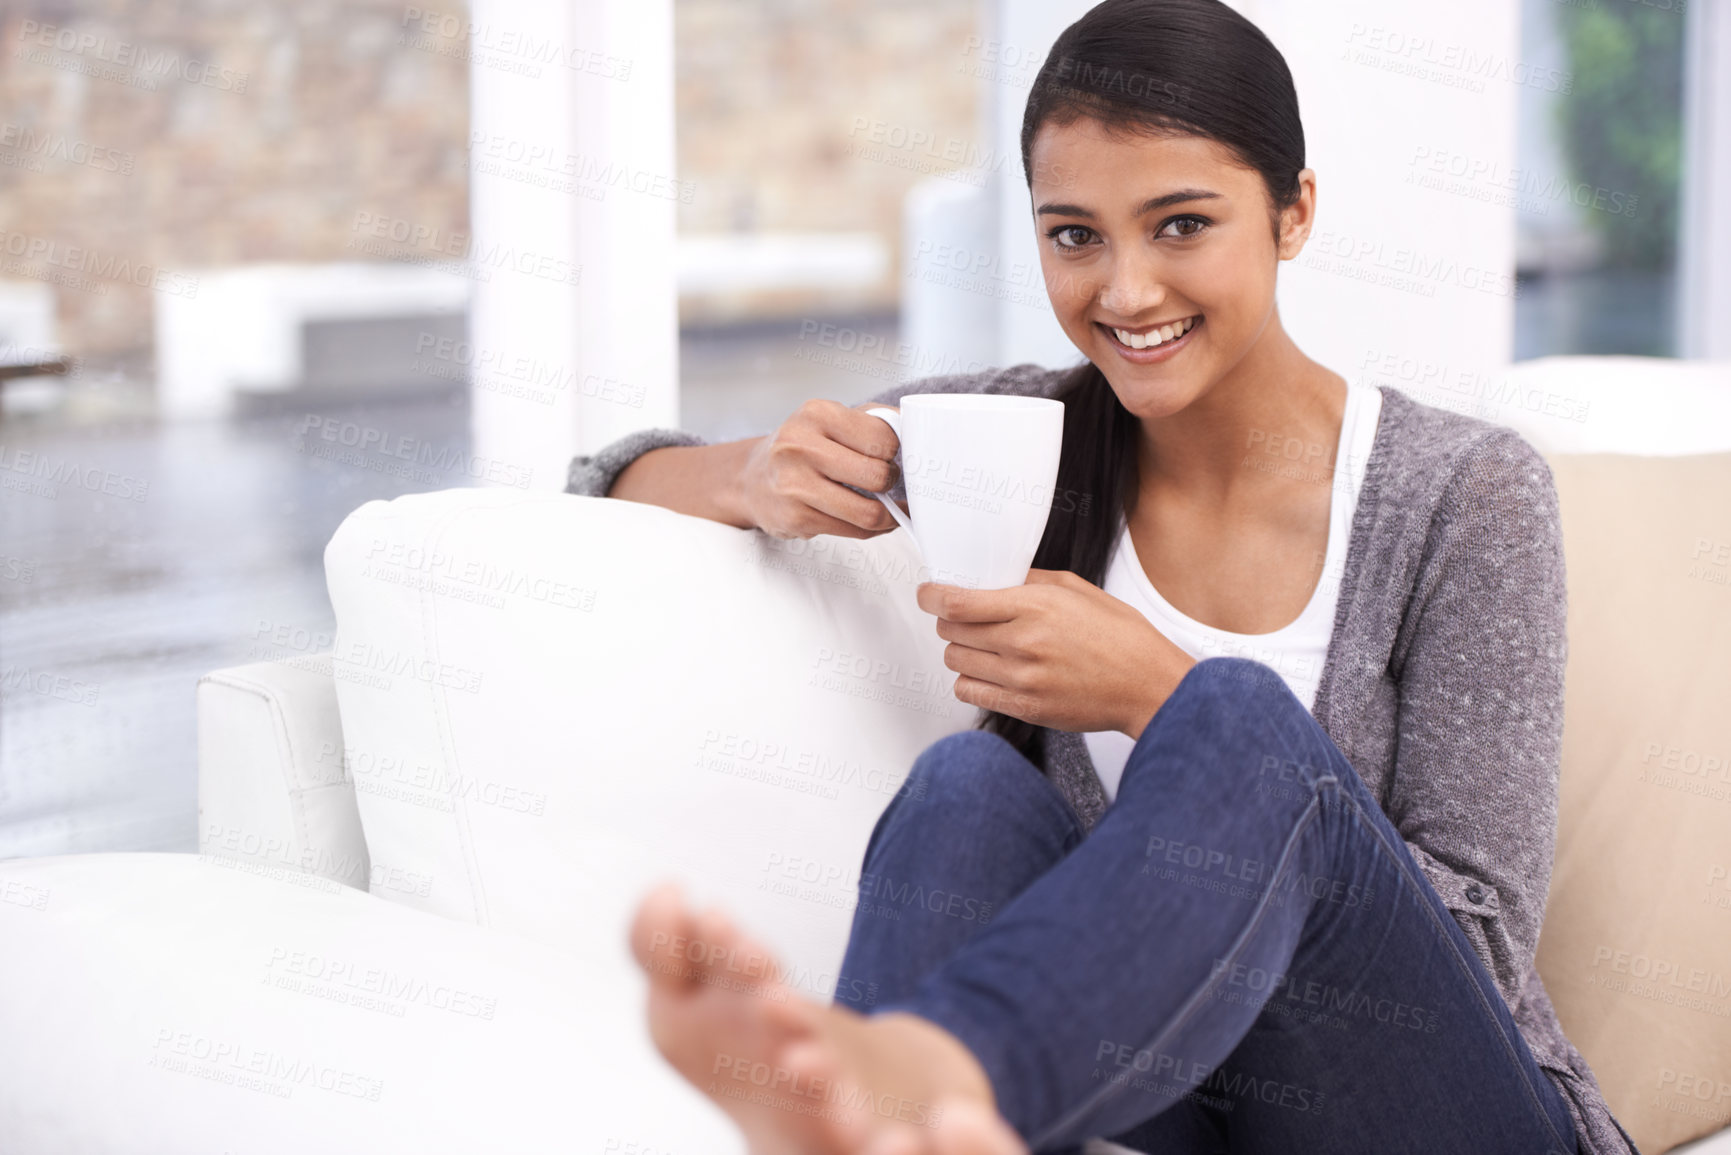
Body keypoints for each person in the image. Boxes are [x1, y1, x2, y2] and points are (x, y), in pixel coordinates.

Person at [567, 1, 1638, 1151]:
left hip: (1430, 1111)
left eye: (1181, 225)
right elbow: (605, 481)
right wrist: (758, 473)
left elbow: (1475, 952)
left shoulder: (1464, 494)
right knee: (960, 794)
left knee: (1228, 709)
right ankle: (899, 1115)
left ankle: (929, 1069)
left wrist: (1156, 693)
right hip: (1171, 1111)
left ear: (1294, 213)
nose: (1125, 293)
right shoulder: (1011, 445)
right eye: (1074, 235)